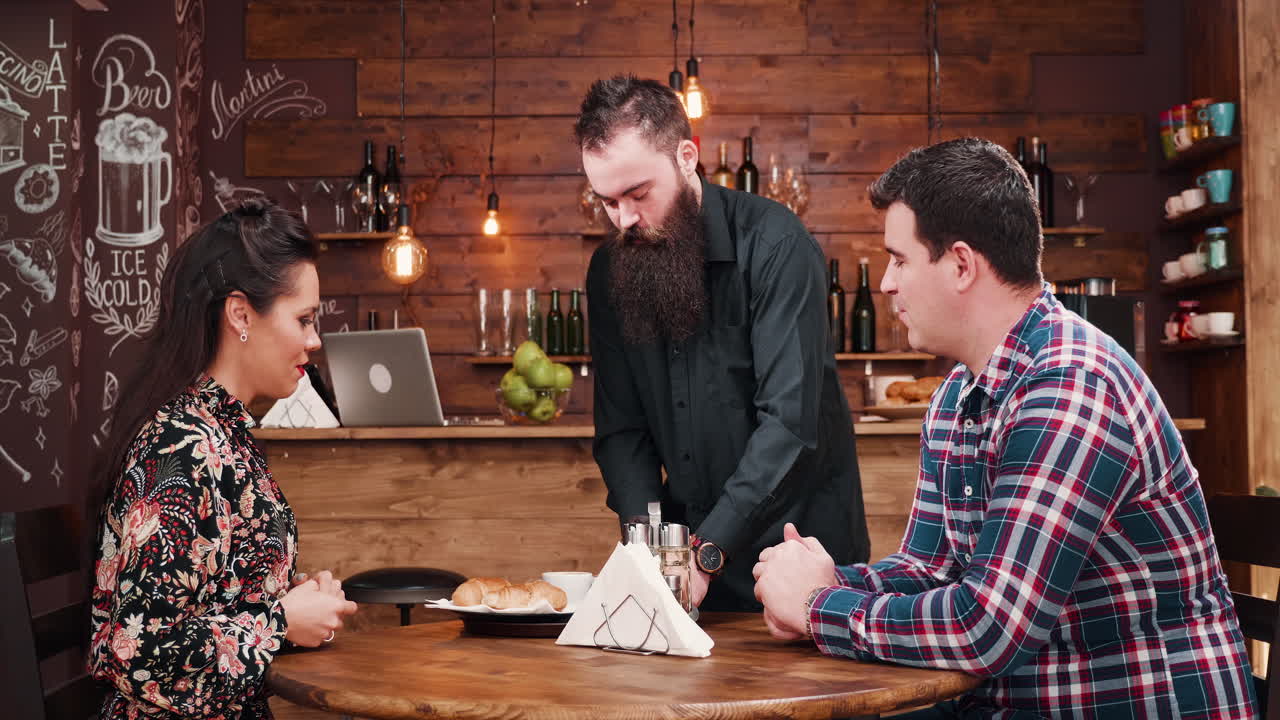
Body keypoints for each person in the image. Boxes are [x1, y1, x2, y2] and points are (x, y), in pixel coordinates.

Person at [753, 138, 1258, 718]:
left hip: (1132, 702)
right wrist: (824, 581)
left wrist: (819, 606)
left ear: (962, 265)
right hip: (1016, 699)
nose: (887, 284)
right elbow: (931, 567)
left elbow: (990, 625)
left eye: (899, 259)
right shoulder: (956, 395)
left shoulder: (1071, 384)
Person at [576, 75, 869, 612]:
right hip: (687, 569)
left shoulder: (777, 245)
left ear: (687, 157)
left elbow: (788, 424)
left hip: (799, 558)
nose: (626, 220)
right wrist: (650, 549)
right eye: (608, 202)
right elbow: (622, 431)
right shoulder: (609, 270)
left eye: (639, 194)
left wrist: (706, 551)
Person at [87, 199, 358, 719]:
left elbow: (210, 596)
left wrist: (298, 601)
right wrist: (279, 622)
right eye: (303, 319)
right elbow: (137, 648)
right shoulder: (181, 446)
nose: (314, 340)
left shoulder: (222, 432)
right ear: (240, 315)